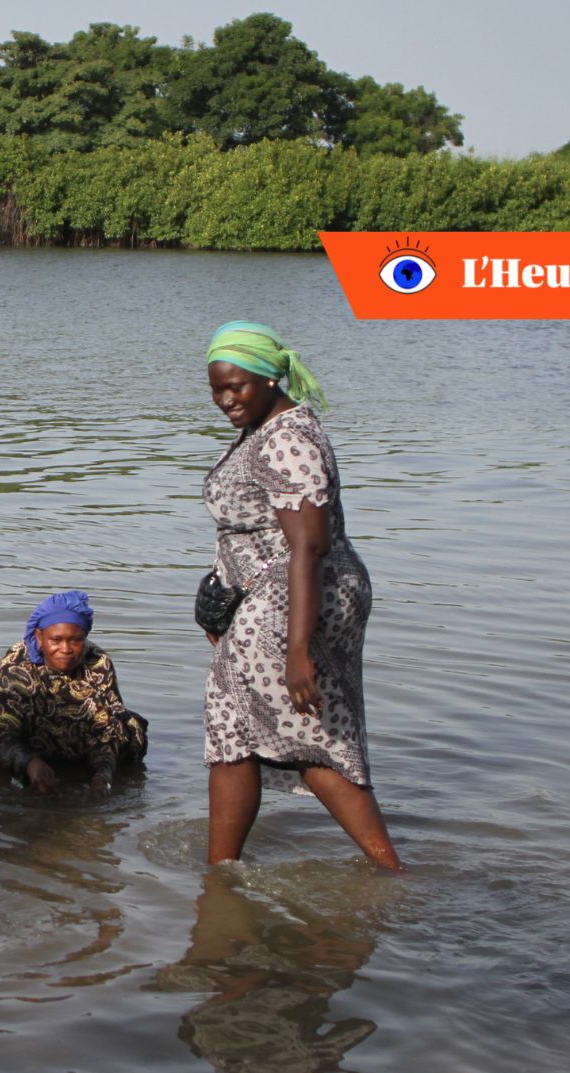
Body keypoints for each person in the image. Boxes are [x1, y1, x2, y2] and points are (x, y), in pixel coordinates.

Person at [199, 321, 401, 870]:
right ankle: (223, 875)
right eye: (216, 388)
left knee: (294, 732)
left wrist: (297, 650)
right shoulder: (264, 428)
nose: (224, 400)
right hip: (269, 597)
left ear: (270, 378)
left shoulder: (289, 437)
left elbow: (308, 547)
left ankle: (392, 873)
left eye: (236, 386)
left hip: (294, 599)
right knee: (241, 730)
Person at [0, 590, 147, 795]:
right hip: (23, 740)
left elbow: (108, 730)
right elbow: (2, 732)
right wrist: (30, 764)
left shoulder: (98, 663)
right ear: (39, 637)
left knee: (129, 726)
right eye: (56, 640)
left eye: (75, 640)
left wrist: (103, 775)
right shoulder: (17, 664)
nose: (65, 649)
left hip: (72, 740)